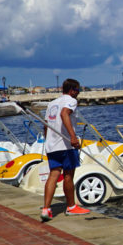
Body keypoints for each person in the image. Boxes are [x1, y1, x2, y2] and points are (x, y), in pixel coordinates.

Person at [41, 78, 89, 221]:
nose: (78, 94)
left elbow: (45, 125)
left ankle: (46, 209)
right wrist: (73, 137)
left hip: (52, 145)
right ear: (72, 90)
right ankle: (71, 207)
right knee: (68, 175)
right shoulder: (71, 100)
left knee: (53, 175)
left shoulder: (51, 103)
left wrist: (48, 140)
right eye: (78, 91)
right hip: (66, 144)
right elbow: (64, 113)